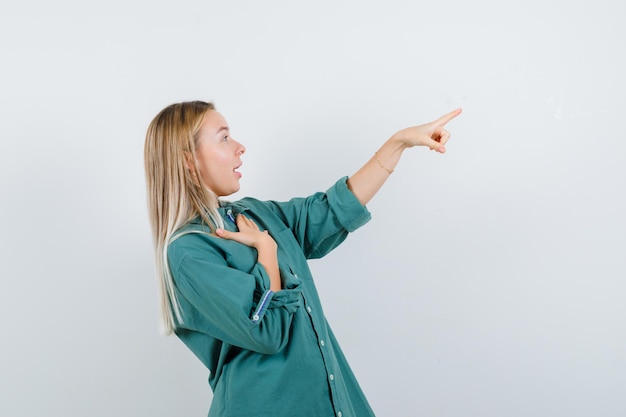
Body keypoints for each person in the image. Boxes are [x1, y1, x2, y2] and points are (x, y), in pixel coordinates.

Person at [144, 100, 461, 417]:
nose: (240, 147)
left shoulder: (255, 214)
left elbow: (330, 210)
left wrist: (398, 143)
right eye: (224, 137)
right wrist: (266, 251)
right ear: (188, 159)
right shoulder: (188, 252)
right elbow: (266, 330)